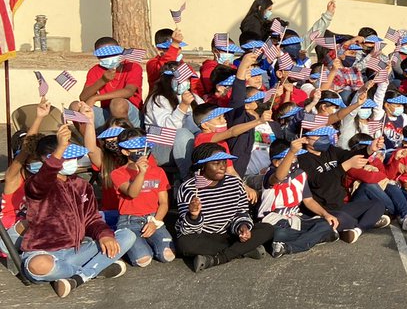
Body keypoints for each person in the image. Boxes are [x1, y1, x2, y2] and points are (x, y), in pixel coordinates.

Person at [19, 127, 136, 297]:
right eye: (68, 156)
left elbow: (92, 219)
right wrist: (60, 149)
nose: (73, 160)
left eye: (74, 156)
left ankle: (80, 276)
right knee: (38, 266)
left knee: (127, 236)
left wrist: (104, 234)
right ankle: (94, 269)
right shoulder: (35, 184)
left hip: (76, 251)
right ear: (48, 159)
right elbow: (41, 183)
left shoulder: (82, 185)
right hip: (45, 253)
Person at [174, 143, 275, 271]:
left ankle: (217, 259)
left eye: (224, 162)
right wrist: (193, 216)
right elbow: (187, 230)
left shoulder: (235, 183)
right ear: (202, 166)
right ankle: (242, 250)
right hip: (203, 236)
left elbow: (241, 213)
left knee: (267, 229)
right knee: (184, 244)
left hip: (228, 233)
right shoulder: (189, 188)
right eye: (216, 163)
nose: (222, 167)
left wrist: (242, 228)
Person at [258, 138, 338, 256]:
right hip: (273, 221)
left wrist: (325, 214)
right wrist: (291, 152)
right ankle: (316, 238)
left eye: (295, 157)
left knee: (326, 224)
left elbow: (308, 200)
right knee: (279, 233)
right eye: (291, 158)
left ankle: (287, 246)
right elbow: (279, 177)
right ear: (276, 162)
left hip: (295, 219)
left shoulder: (300, 174)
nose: (294, 160)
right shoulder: (270, 173)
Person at [111, 135, 175, 266]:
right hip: (129, 220)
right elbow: (132, 193)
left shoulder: (158, 171)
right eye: (138, 149)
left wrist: (155, 222)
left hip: (152, 217)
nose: (143, 152)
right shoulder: (118, 173)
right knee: (143, 259)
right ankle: (126, 241)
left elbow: (163, 203)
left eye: (145, 148)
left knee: (168, 255)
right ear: (125, 151)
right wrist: (141, 173)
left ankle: (145, 243)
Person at [80, 38, 144, 127]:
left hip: (130, 114)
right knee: (77, 107)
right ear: (98, 57)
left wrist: (95, 98)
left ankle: (124, 137)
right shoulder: (95, 70)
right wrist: (103, 80)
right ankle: (92, 140)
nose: (109, 58)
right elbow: (83, 97)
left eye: (113, 54)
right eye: (104, 56)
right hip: (107, 114)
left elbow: (129, 91)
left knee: (117, 103)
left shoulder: (132, 67)